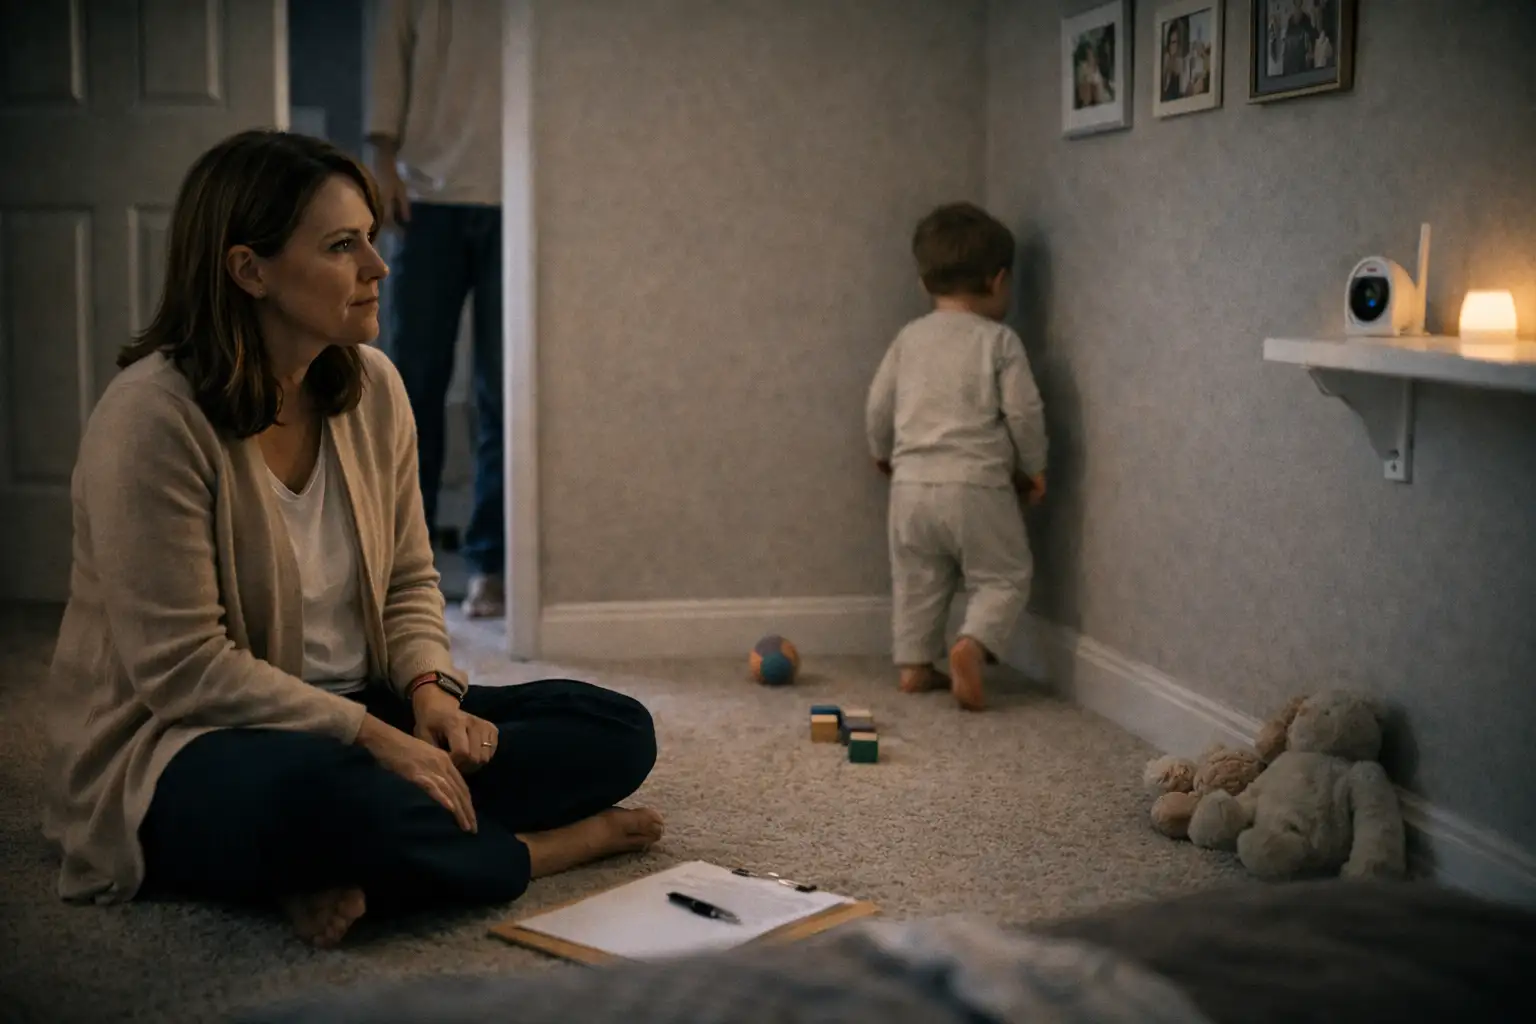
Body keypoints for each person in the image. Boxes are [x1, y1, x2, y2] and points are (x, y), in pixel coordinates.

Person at [40, 129, 664, 949]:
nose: (378, 266)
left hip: (358, 706)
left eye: (371, 237)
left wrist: (431, 697)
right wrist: (378, 740)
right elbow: (184, 669)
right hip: (189, 738)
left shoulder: (373, 386)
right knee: (327, 799)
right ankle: (532, 852)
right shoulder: (151, 419)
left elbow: (409, 578)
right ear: (249, 270)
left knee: (616, 729)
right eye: (342, 246)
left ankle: (350, 861)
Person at [865, 203, 1047, 712]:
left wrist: (881, 453)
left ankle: (914, 665)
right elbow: (1025, 412)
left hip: (910, 487)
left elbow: (878, 403)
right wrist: (1034, 466)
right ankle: (972, 643)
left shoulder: (909, 338)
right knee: (1003, 576)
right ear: (999, 280)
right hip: (976, 483)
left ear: (925, 282)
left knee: (917, 578)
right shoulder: (999, 340)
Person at [367, 0, 506, 617]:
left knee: (503, 392)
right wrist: (382, 163)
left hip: (519, 196)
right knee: (411, 388)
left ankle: (492, 566)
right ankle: (405, 572)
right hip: (423, 197)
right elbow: (387, 64)